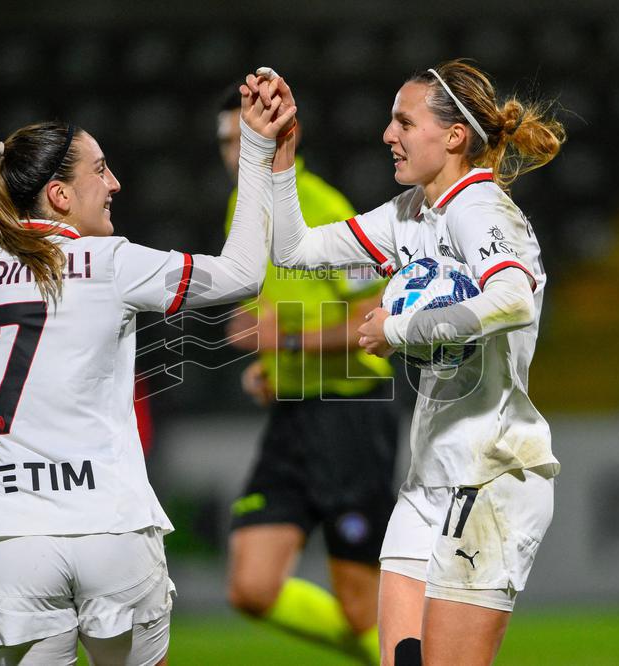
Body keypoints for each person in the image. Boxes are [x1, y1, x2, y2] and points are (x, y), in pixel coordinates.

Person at [0, 82, 295, 666]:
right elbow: (241, 274)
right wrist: (257, 152)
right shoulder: (112, 263)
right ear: (58, 194)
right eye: (101, 171)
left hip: (9, 542)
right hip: (111, 531)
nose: (114, 185)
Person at [259, 59, 564, 665]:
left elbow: (512, 298)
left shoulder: (479, 209)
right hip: (429, 478)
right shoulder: (410, 216)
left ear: (453, 136)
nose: (387, 134)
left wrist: (398, 328)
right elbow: (293, 251)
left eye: (404, 121)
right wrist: (279, 155)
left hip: (491, 474)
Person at [216, 86, 399, 665]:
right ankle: (385, 653)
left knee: (357, 608)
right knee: (251, 588)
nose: (229, 153)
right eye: (225, 141)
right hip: (294, 409)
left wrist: (286, 340)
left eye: (240, 139)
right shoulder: (240, 210)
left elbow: (378, 320)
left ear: (279, 140)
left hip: (352, 413)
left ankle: (401, 653)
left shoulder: (322, 209)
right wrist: (272, 366)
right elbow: (267, 313)